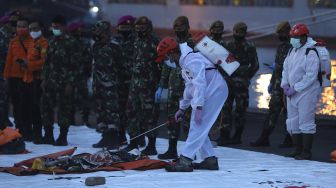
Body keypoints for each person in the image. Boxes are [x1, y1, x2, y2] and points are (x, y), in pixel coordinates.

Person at [157, 37, 228, 172]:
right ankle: (210, 160)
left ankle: (185, 160)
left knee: (197, 125)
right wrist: (182, 108)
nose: (167, 62)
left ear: (172, 54)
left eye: (166, 58)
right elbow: (190, 87)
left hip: (214, 91)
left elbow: (200, 84)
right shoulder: (187, 62)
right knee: (199, 126)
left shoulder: (191, 61)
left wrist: (199, 107)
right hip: (213, 90)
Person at [156, 16, 194, 160]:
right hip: (173, 87)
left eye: (181, 26)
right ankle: (172, 149)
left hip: (188, 89)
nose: (178, 29)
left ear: (187, 27)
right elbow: (167, 66)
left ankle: (191, 152)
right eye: (176, 26)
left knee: (190, 123)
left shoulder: (193, 44)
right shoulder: (172, 43)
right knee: (172, 120)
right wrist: (161, 86)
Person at [281, 23, 321, 160]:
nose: (294, 39)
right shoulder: (292, 50)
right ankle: (297, 149)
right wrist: (285, 84)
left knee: (306, 121)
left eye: (296, 37)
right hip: (291, 92)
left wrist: (296, 88)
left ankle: (306, 151)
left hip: (307, 92)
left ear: (304, 37)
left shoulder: (310, 52)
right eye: (293, 37)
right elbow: (285, 69)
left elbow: (311, 75)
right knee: (292, 122)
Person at [250, 21, 293, 147]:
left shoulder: (293, 48)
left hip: (287, 87)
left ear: (287, 32)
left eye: (281, 32)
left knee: (289, 115)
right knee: (272, 112)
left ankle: (290, 139)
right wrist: (271, 82)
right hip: (277, 87)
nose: (279, 35)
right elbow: (277, 68)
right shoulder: (281, 47)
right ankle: (264, 138)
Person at [41, 15, 80, 146]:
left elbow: (75, 66)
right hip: (51, 80)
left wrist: (70, 83)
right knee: (46, 107)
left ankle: (63, 136)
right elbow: (47, 62)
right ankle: (48, 135)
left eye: (57, 27)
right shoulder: (51, 41)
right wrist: (44, 79)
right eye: (53, 27)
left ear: (64, 27)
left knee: (64, 109)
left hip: (64, 82)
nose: (55, 29)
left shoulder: (72, 43)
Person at [125, 16, 161, 155]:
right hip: (135, 85)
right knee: (131, 112)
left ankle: (151, 145)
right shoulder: (136, 41)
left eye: (143, 27)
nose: (140, 30)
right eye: (137, 27)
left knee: (150, 116)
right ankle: (134, 142)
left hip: (149, 86)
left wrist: (159, 84)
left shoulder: (155, 42)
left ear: (149, 27)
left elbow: (160, 64)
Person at [222, 22, 259, 145]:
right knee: (225, 109)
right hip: (228, 82)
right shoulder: (229, 45)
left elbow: (255, 65)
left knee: (240, 110)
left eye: (241, 32)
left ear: (245, 33)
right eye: (237, 31)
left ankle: (237, 136)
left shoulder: (249, 46)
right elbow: (222, 63)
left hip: (241, 84)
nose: (238, 34)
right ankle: (225, 135)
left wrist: (246, 77)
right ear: (233, 31)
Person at [91, 20, 122, 149]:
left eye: (98, 31)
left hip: (111, 85)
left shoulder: (114, 46)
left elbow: (121, 65)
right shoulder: (96, 45)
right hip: (98, 84)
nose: (95, 33)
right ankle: (105, 136)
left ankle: (113, 138)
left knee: (112, 112)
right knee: (101, 111)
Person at [3, 17, 33, 140]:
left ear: (28, 28)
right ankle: (19, 129)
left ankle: (28, 130)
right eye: (19, 26)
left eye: (23, 26)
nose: (21, 28)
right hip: (14, 77)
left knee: (27, 104)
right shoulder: (13, 41)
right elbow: (9, 60)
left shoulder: (33, 41)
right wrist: (6, 76)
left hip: (28, 77)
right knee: (16, 105)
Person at [21, 20, 48, 144]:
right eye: (30, 29)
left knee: (37, 109)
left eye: (35, 29)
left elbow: (44, 62)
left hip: (38, 79)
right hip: (28, 79)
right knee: (29, 108)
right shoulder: (32, 43)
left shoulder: (44, 43)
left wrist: (29, 65)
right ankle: (30, 133)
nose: (32, 31)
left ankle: (38, 135)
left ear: (41, 29)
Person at [113, 15, 136, 145]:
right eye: (122, 27)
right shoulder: (115, 41)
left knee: (134, 111)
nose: (125, 29)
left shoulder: (137, 41)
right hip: (119, 82)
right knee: (120, 110)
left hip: (134, 82)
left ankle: (137, 138)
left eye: (127, 27)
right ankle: (121, 136)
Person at [68, 21, 92, 126]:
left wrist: (87, 71)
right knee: (71, 99)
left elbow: (88, 59)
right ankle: (73, 119)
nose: (80, 31)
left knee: (82, 99)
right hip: (71, 76)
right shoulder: (68, 42)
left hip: (80, 75)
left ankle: (83, 119)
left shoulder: (84, 43)